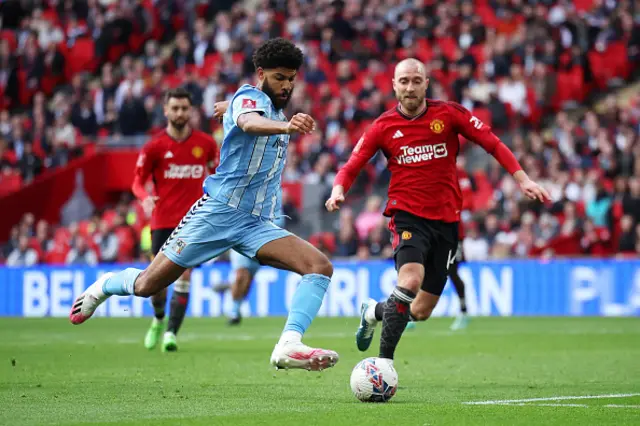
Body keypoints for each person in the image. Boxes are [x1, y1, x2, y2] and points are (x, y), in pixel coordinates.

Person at [70, 38, 338, 371]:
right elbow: (249, 122)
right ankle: (103, 286)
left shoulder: (265, 106)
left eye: (291, 77)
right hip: (217, 214)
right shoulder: (253, 99)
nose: (287, 84)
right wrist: (281, 124)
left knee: (319, 267)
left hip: (255, 223)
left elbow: (246, 114)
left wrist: (235, 109)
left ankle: (289, 344)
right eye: (279, 77)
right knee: (147, 286)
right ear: (260, 74)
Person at [325, 58, 549, 364]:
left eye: (416, 80)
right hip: (407, 215)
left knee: (420, 311)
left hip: (445, 222)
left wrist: (522, 179)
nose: (410, 87)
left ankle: (373, 311)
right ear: (394, 86)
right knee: (410, 281)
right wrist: (339, 189)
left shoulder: (448, 114)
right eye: (403, 81)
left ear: (426, 84)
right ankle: (382, 365)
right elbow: (352, 164)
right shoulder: (382, 126)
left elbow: (492, 143)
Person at [132, 87, 218, 352]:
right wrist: (145, 197)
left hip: (193, 222)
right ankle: (158, 319)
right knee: (156, 285)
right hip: (161, 223)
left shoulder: (206, 144)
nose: (180, 113)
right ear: (166, 111)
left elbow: (217, 176)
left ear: (190, 111)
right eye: (175, 108)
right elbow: (137, 181)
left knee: (184, 274)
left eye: (184, 108)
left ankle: (171, 333)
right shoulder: (154, 147)